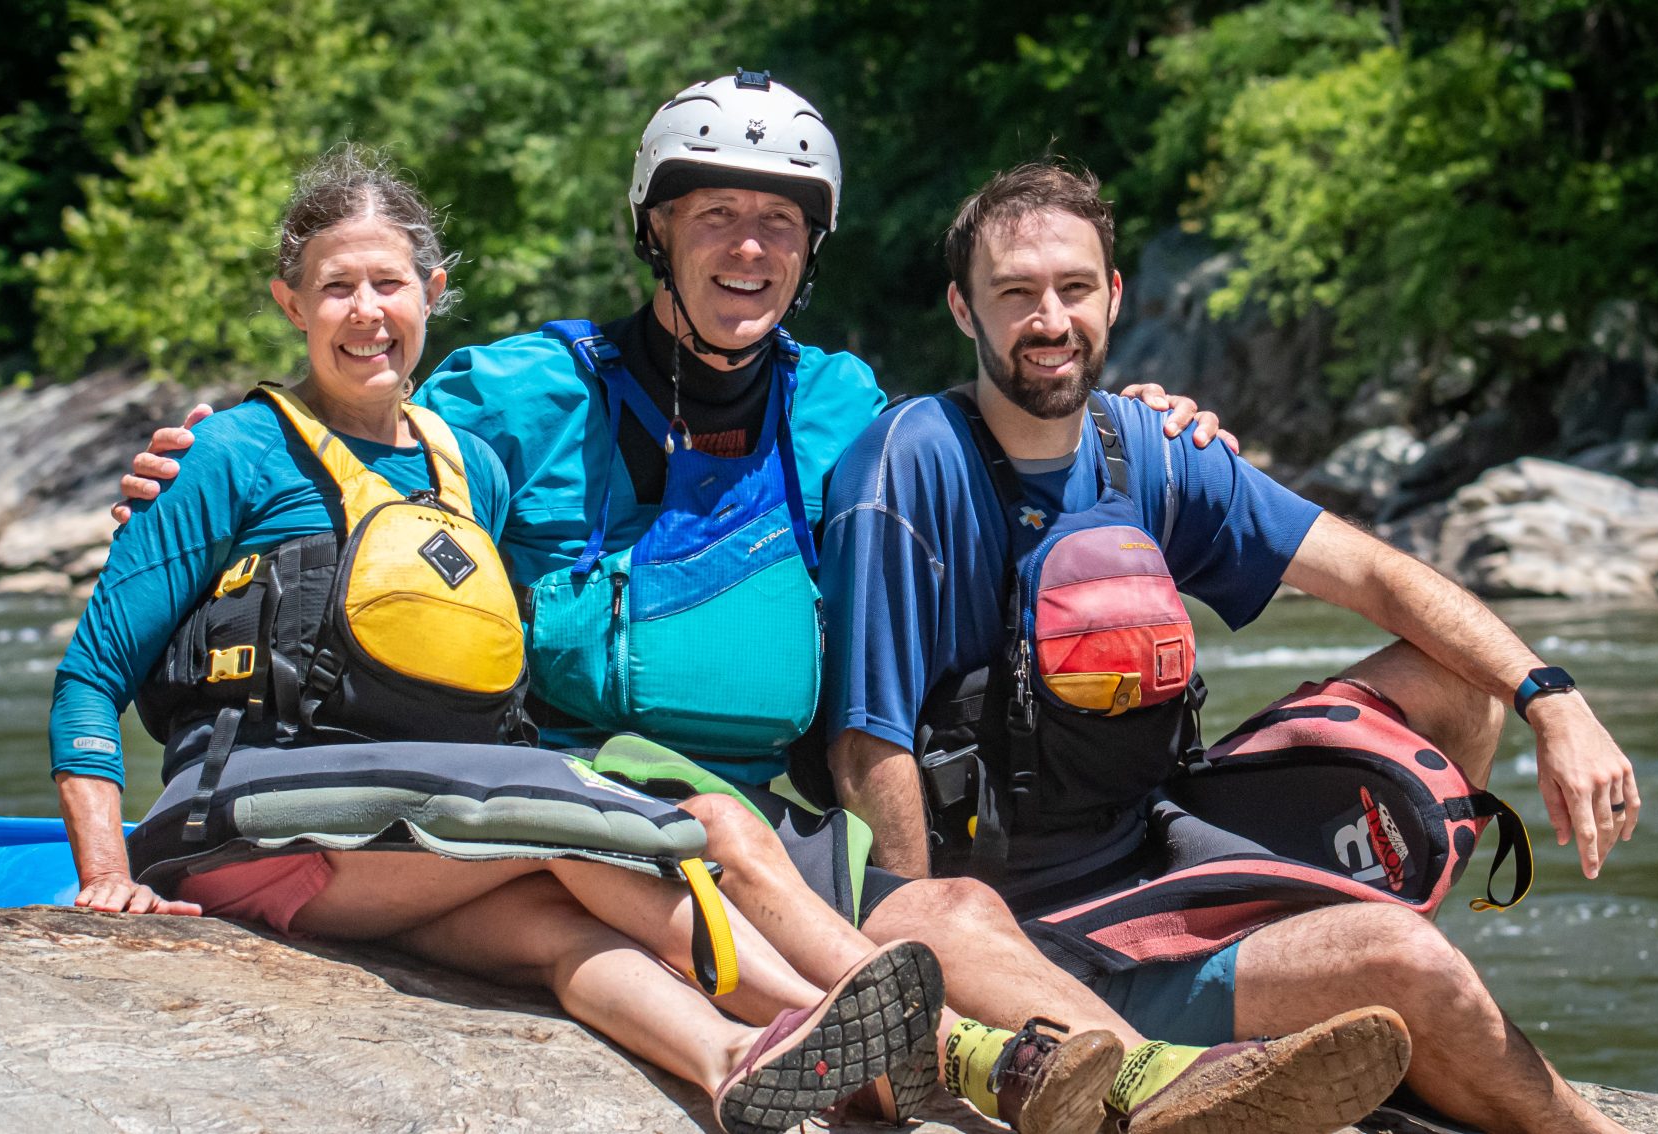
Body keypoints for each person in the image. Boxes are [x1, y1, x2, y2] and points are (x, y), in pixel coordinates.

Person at [116, 75, 1414, 1134]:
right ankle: (1041, 1077)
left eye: (780, 223)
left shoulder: (842, 406)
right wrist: (208, 475)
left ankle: (1148, 1083)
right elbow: (362, 466)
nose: (749, 247)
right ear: (656, 231)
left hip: (786, 832)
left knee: (952, 912)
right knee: (721, 851)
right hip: (582, 812)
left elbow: (1012, 442)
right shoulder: (522, 394)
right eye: (716, 215)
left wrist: (1147, 422)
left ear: (811, 248)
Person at [52, 146, 948, 1134]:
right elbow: (90, 676)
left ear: (431, 294)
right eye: (336, 287)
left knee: (561, 933)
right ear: (290, 303)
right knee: (582, 827)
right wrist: (106, 877)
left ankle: (737, 1059)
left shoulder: (471, 467)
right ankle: (836, 1020)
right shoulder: (229, 452)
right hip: (255, 816)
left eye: (389, 284)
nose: (366, 313)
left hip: (405, 846)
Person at [818, 160, 1642, 1134]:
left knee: (1457, 682)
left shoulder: (1150, 446)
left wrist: (1551, 698)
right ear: (963, 308)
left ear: (1113, 296)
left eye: (1074, 288)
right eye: (1015, 293)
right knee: (1404, 962)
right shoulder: (910, 464)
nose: (1050, 320)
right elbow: (867, 746)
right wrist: (929, 988)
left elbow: (1376, 576)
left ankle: (1347, 998)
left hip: (1164, 848)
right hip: (1032, 927)